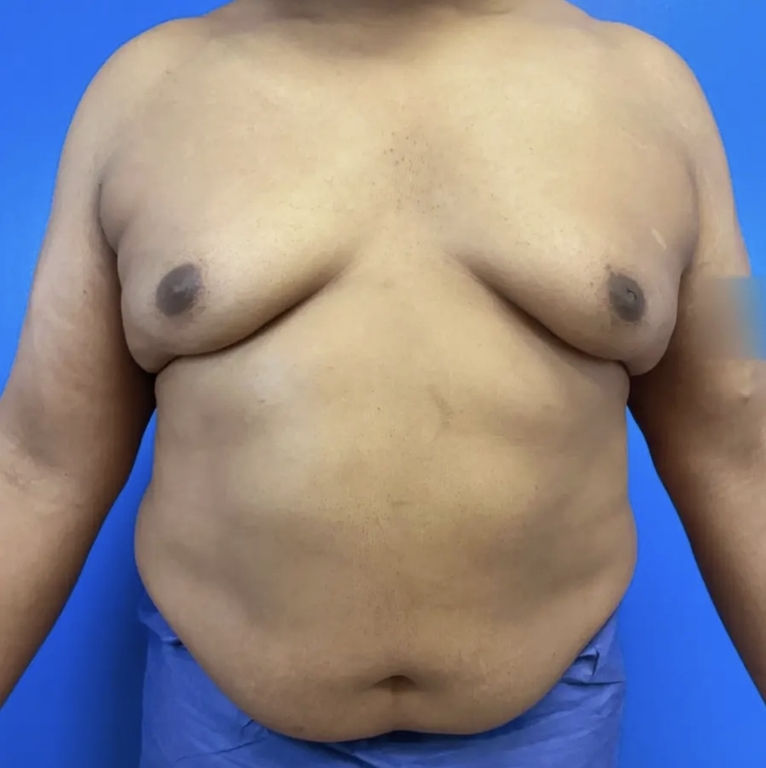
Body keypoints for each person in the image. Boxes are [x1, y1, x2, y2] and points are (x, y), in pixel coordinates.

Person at [0, 0, 763, 765]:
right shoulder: (140, 90)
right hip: (221, 728)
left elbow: (743, 447)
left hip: (550, 730)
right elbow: (34, 465)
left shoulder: (657, 92)